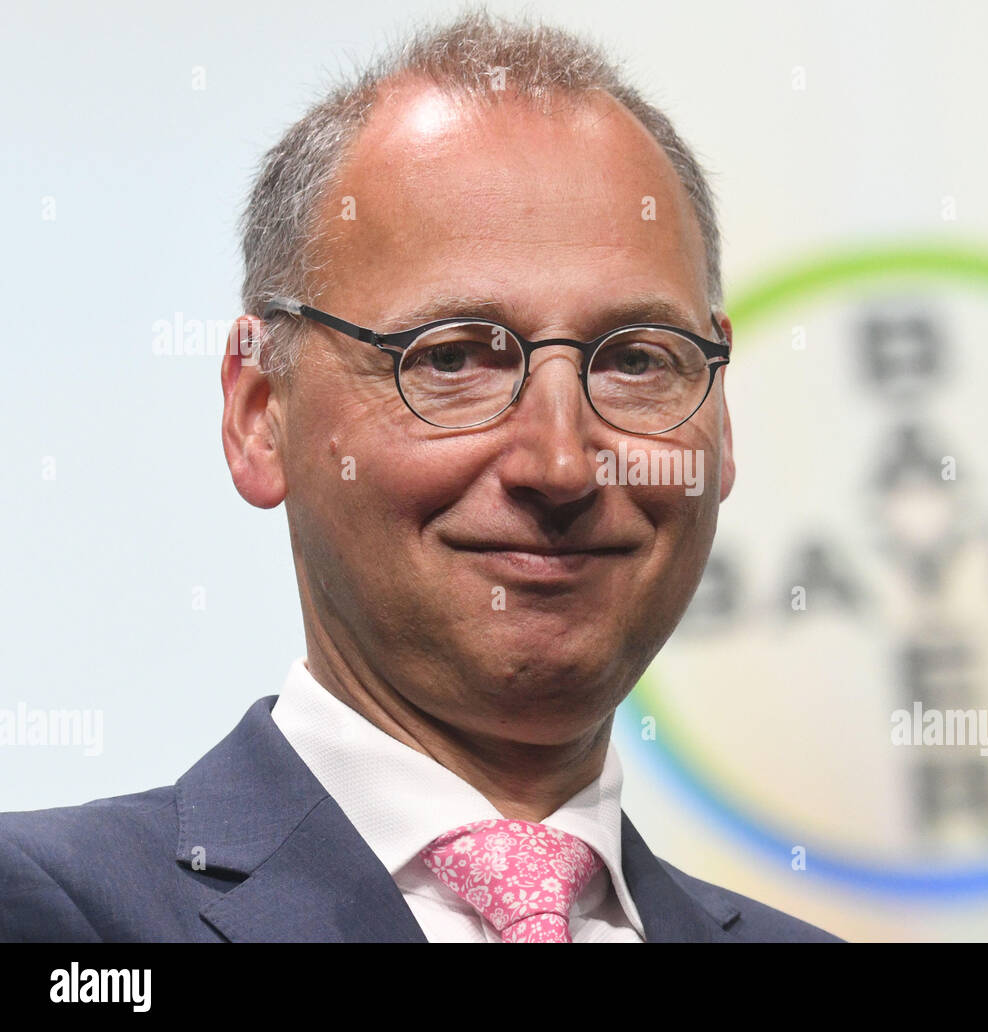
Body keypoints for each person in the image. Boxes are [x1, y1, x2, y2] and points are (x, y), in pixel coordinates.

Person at [0, 9, 841, 943]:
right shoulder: (54, 915)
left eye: (635, 361)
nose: (560, 464)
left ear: (719, 416)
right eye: (452, 360)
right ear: (257, 413)